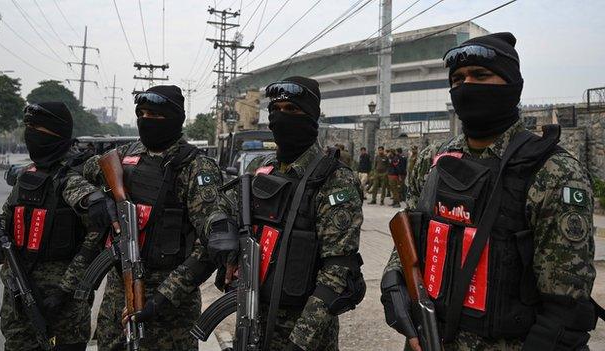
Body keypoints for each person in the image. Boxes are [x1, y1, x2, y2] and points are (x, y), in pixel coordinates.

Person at [381, 32, 603, 350]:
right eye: (457, 78)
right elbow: (410, 243)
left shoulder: (552, 171)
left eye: (481, 75)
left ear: (512, 85)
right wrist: (399, 298)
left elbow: (564, 306)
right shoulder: (435, 159)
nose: (466, 85)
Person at [206, 76, 365, 350]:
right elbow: (220, 206)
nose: (280, 117)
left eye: (291, 109)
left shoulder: (335, 179)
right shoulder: (260, 167)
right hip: (252, 318)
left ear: (312, 116)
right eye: (275, 110)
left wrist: (297, 342)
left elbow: (337, 272)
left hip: (305, 336)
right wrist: (229, 247)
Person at [62, 85, 222, 350]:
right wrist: (92, 198)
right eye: (142, 113)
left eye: (156, 115)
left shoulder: (196, 168)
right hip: (117, 298)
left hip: (169, 312)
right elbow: (71, 174)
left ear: (176, 118)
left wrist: (162, 298)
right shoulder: (125, 156)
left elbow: (210, 245)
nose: (147, 120)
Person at [0, 102, 92, 350]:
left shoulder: (79, 175)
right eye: (28, 126)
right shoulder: (27, 176)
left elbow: (97, 241)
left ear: (57, 131)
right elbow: (7, 216)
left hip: (64, 310)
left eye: (38, 127)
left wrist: (66, 290)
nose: (31, 132)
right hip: (18, 301)